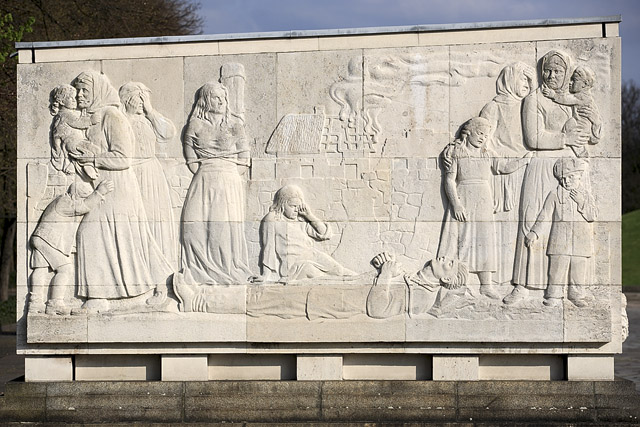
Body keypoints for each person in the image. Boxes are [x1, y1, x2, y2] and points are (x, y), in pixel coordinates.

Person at [70, 70, 172, 313]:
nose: (80, 95)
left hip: (118, 187)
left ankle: (102, 296)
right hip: (104, 185)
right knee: (120, 239)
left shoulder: (112, 116)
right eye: (78, 91)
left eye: (85, 90)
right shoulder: (95, 117)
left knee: (94, 234)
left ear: (98, 91)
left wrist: (92, 157)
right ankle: (116, 295)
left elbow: (123, 157)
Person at [505, 50, 591, 305]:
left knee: (568, 225)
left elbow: (587, 132)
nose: (552, 75)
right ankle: (521, 285)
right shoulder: (533, 100)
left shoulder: (571, 100)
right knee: (531, 220)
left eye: (558, 71)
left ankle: (568, 288)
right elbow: (533, 138)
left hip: (569, 168)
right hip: (541, 167)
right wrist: (565, 139)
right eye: (547, 70)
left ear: (566, 74)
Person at [439, 117, 529, 299]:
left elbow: (504, 167)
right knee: (462, 239)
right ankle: (459, 281)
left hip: (483, 198)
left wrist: (525, 160)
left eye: (486, 135)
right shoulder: (457, 152)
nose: (482, 138)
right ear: (469, 132)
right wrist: (456, 203)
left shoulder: (487, 153)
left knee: (485, 239)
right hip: (464, 195)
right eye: (480, 133)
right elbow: (449, 180)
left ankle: (486, 285)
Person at [180, 81, 252, 285]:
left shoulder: (235, 124)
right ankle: (200, 272)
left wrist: (226, 175)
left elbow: (244, 158)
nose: (221, 102)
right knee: (192, 227)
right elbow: (190, 157)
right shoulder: (195, 125)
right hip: (203, 178)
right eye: (215, 97)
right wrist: (207, 172)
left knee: (221, 229)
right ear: (205, 100)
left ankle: (224, 272)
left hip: (228, 179)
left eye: (223, 98)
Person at [479, 62, 534, 285]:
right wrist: (504, 162)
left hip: (527, 171)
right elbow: (484, 145)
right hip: (503, 176)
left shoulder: (529, 106)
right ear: (510, 79)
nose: (527, 85)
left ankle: (520, 278)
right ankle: (499, 278)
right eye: (523, 79)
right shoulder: (493, 107)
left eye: (531, 81)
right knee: (502, 226)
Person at [29, 181, 113, 315]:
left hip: (41, 237)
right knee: (65, 269)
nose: (84, 199)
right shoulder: (65, 201)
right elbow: (83, 207)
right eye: (84, 196)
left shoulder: (61, 200)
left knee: (41, 269)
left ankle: (35, 303)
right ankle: (54, 303)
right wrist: (99, 192)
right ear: (75, 195)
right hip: (47, 239)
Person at [119, 82, 178, 266]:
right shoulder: (120, 120)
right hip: (131, 174)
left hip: (152, 175)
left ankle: (160, 267)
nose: (141, 102)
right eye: (138, 97)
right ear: (127, 99)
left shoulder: (148, 119)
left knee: (156, 219)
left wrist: (150, 110)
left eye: (145, 99)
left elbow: (168, 133)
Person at [525, 158, 597, 307]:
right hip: (560, 238)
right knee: (557, 268)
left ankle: (577, 295)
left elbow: (592, 216)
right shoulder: (554, 194)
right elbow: (544, 215)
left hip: (580, 238)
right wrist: (534, 232)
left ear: (578, 176)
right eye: (563, 178)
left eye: (570, 177)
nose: (566, 181)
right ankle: (553, 295)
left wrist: (581, 201)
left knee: (578, 268)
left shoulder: (585, 194)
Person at [259, 184, 354, 283]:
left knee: (339, 270)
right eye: (292, 206)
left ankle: (361, 278)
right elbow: (268, 247)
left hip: (312, 255)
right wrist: (265, 275)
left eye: (298, 206)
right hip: (294, 265)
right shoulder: (272, 219)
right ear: (282, 204)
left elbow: (323, 233)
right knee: (316, 275)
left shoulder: (300, 219)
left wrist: (309, 216)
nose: (296, 209)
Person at [542, 65, 602, 158]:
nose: (570, 83)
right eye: (571, 79)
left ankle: (581, 152)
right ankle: (580, 151)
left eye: (574, 80)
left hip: (581, 125)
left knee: (569, 129)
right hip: (582, 124)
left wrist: (553, 95)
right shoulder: (589, 98)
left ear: (585, 84)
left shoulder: (582, 96)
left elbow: (566, 99)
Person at [48, 84, 99, 181]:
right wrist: (91, 121)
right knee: (92, 151)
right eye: (71, 98)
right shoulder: (66, 115)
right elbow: (78, 123)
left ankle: (72, 165)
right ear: (62, 101)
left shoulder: (60, 115)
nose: (75, 100)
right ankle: (87, 167)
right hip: (74, 143)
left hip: (70, 144)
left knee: (87, 152)